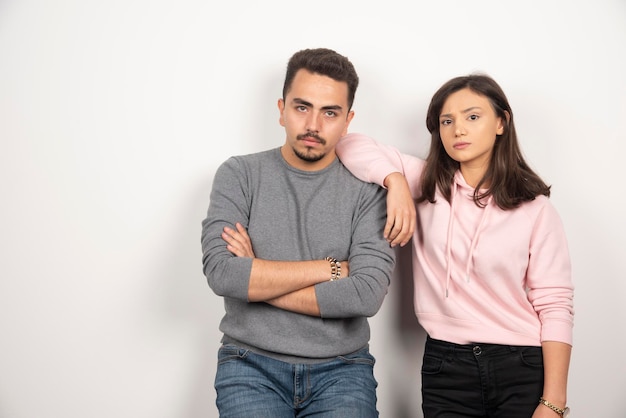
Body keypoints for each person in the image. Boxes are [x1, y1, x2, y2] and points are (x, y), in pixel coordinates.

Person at [336, 74, 574, 418]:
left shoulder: (535, 209)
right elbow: (349, 143)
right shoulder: (427, 185)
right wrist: (396, 181)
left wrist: (553, 402)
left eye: (472, 117)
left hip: (521, 364)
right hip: (446, 366)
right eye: (447, 121)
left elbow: (555, 305)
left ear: (501, 123)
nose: (458, 129)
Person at [200, 48, 396, 418]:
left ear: (348, 119)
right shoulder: (239, 174)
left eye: (330, 112)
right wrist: (332, 269)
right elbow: (223, 274)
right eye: (302, 107)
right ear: (281, 109)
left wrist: (256, 277)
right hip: (249, 363)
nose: (313, 125)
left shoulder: (369, 192)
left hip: (343, 369)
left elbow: (366, 295)